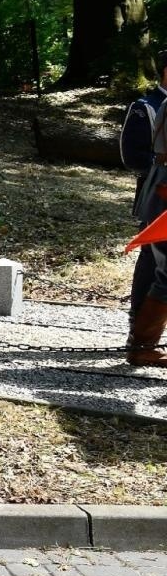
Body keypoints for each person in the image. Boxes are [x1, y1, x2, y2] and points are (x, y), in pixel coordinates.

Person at [119, 50, 167, 365]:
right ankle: (141, 342)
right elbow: (135, 156)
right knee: (156, 265)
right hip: (160, 192)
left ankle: (142, 343)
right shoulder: (146, 106)